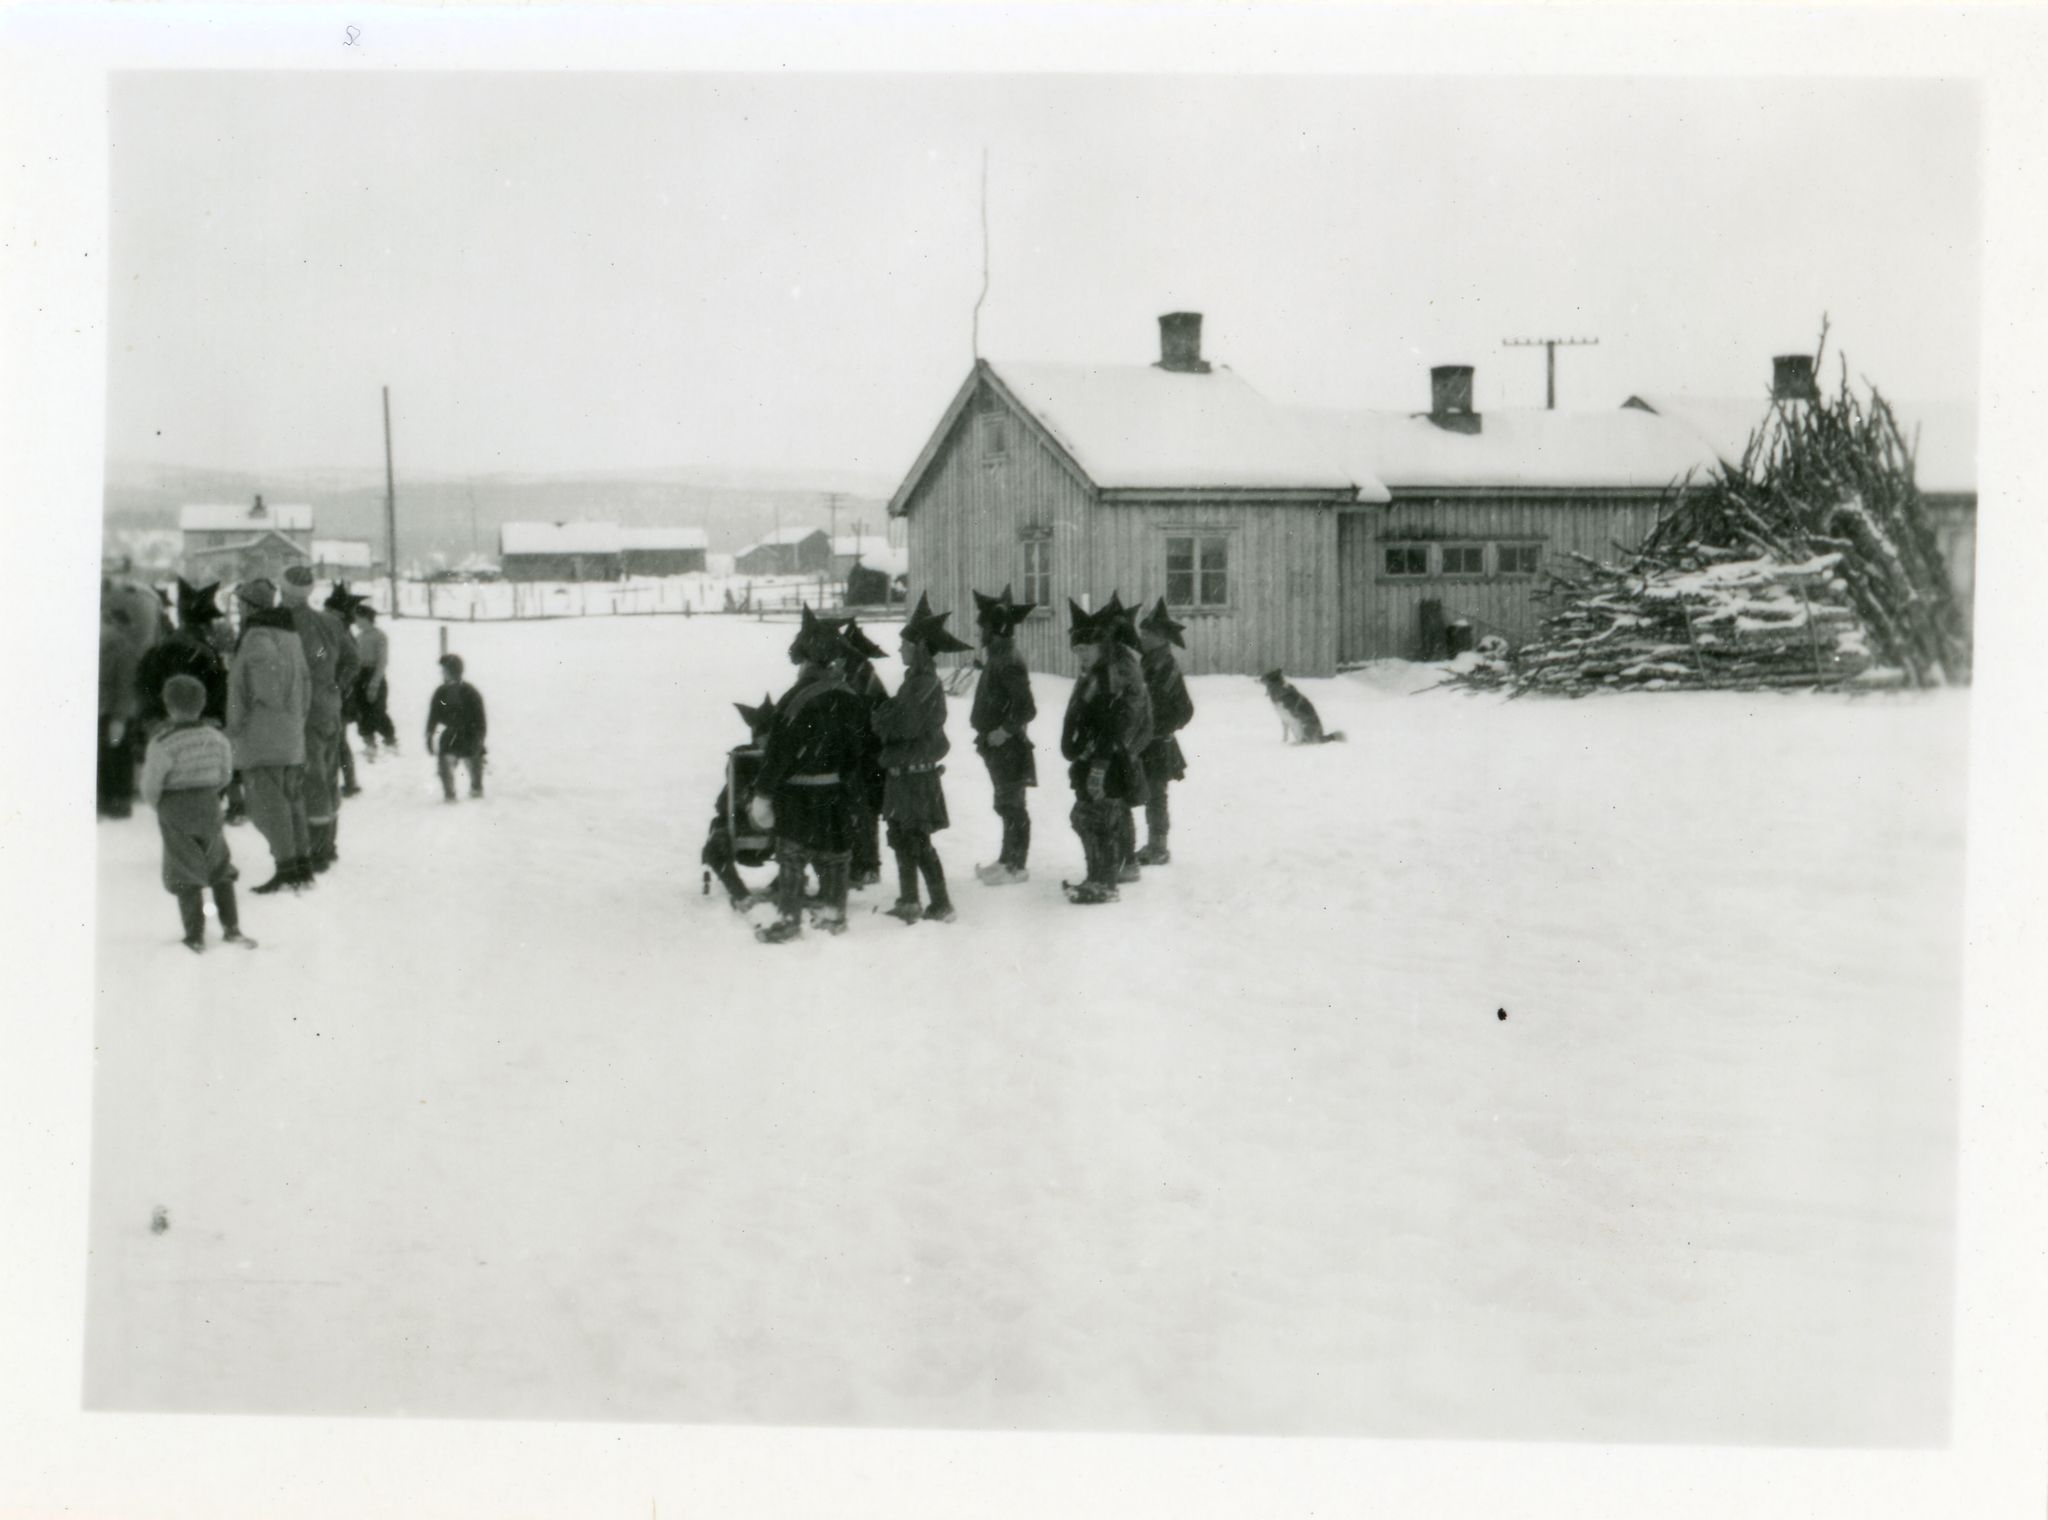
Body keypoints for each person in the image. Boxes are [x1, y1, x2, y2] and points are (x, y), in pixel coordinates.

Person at [748, 608, 869, 944]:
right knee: (835, 856)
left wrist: (763, 793)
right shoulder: (849, 697)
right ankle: (834, 915)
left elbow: (779, 753)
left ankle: (788, 922)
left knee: (791, 856)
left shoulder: (795, 699)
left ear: (806, 660)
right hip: (834, 792)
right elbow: (857, 750)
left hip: (798, 796)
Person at [870, 593, 970, 923]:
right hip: (904, 775)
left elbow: (900, 724)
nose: (900, 649)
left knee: (916, 839)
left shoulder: (923, 684)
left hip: (915, 778)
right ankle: (909, 900)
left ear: (919, 647)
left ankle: (941, 904)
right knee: (900, 837)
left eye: (905, 644)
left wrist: (881, 717)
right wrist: (887, 715)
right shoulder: (914, 682)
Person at [139, 673, 254, 951]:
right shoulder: (216, 738)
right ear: (202, 704)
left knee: (183, 869)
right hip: (209, 803)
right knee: (218, 864)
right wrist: (210, 791)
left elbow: (151, 783)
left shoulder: (162, 743)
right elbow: (226, 773)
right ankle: (232, 928)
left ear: (168, 705)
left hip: (174, 806)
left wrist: (159, 804)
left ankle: (195, 935)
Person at [1059, 595, 1152, 905]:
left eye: (1085, 650)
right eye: (1077, 651)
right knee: (1090, 818)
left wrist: (1098, 767)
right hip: (1096, 758)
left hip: (1106, 760)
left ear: (1100, 647)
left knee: (1097, 819)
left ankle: (1105, 881)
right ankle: (1097, 877)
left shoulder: (1107, 678)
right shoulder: (1094, 675)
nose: (1081, 656)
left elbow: (1110, 725)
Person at [225, 578, 313, 894]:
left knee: (266, 806)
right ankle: (302, 865)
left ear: (251, 606)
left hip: (263, 736)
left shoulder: (257, 635)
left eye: (240, 604)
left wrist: (233, 726)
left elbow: (265, 686)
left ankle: (286, 869)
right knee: (290, 802)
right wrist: (296, 718)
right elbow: (304, 683)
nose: (238, 610)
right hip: (289, 734)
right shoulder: (289, 634)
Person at [278, 565, 361, 874]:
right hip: (328, 709)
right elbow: (353, 661)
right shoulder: (331, 623)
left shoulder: (279, 625)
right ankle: (330, 844)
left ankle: (318, 852)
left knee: (310, 780)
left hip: (298, 713)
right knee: (327, 775)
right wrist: (336, 685)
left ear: (283, 590)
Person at [968, 584, 1038, 886]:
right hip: (997, 745)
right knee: (1006, 803)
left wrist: (1003, 732)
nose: (979, 632)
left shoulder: (1007, 660)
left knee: (1013, 805)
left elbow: (1026, 708)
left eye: (982, 626)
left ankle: (1016, 866)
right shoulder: (999, 655)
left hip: (1007, 745)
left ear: (992, 629)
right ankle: (1007, 859)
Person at [703, 694, 780, 909]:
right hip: (752, 823)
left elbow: (732, 793)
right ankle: (740, 893)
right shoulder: (742, 757)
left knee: (716, 845)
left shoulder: (745, 756)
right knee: (715, 845)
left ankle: (775, 887)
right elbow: (734, 791)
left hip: (767, 824)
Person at [1134, 598, 1194, 865]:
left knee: (1156, 796)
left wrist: (1161, 728)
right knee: (1148, 794)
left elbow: (1185, 709)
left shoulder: (1166, 666)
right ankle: (1152, 845)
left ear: (1161, 638)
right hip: (1145, 740)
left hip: (1157, 744)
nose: (1143, 636)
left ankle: (1158, 847)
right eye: (1143, 632)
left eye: (1148, 633)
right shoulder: (1148, 662)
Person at [1102, 594, 1155, 885]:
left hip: (1124, 747)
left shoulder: (1122, 665)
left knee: (1119, 805)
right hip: (1122, 746)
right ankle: (1120, 858)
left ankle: (1127, 861)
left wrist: (1120, 745)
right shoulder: (1117, 660)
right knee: (1115, 803)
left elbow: (1133, 710)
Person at [136, 579, 231, 741]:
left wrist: (154, 719)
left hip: (163, 730)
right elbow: (218, 696)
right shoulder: (207, 654)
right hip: (199, 732)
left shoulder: (160, 649)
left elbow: (145, 686)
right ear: (206, 623)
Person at [835, 616, 891, 888]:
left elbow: (864, 716)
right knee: (860, 810)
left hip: (868, 756)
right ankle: (861, 864)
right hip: (865, 754)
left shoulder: (863, 678)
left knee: (865, 810)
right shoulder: (860, 674)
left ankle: (867, 866)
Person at [98, 601, 142, 819]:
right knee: (114, 757)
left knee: (116, 757)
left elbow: (125, 687)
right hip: (111, 712)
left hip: (112, 713)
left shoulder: (119, 648)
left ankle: (116, 802)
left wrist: (119, 719)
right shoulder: (117, 646)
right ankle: (114, 801)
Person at [425, 652, 489, 801]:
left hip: (470, 734)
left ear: (453, 672)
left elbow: (481, 720)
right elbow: (433, 715)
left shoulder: (470, 692)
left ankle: (476, 787)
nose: (443, 674)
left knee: (474, 758)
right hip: (451, 735)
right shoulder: (441, 692)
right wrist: (429, 734)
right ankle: (449, 793)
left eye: (445, 671)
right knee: (444, 760)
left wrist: (480, 739)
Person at [324, 584, 368, 798]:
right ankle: (349, 783)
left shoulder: (340, 632)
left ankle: (341, 785)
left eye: (329, 610)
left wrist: (338, 685)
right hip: (340, 694)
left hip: (340, 696)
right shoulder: (337, 630)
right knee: (339, 741)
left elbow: (352, 663)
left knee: (336, 741)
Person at [351, 602, 397, 758]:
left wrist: (374, 683)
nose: (355, 622)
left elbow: (382, 661)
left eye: (357, 618)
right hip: (359, 677)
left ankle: (390, 740)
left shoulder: (379, 636)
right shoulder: (358, 637)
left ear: (365, 618)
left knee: (377, 711)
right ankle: (369, 744)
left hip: (374, 675)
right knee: (361, 712)